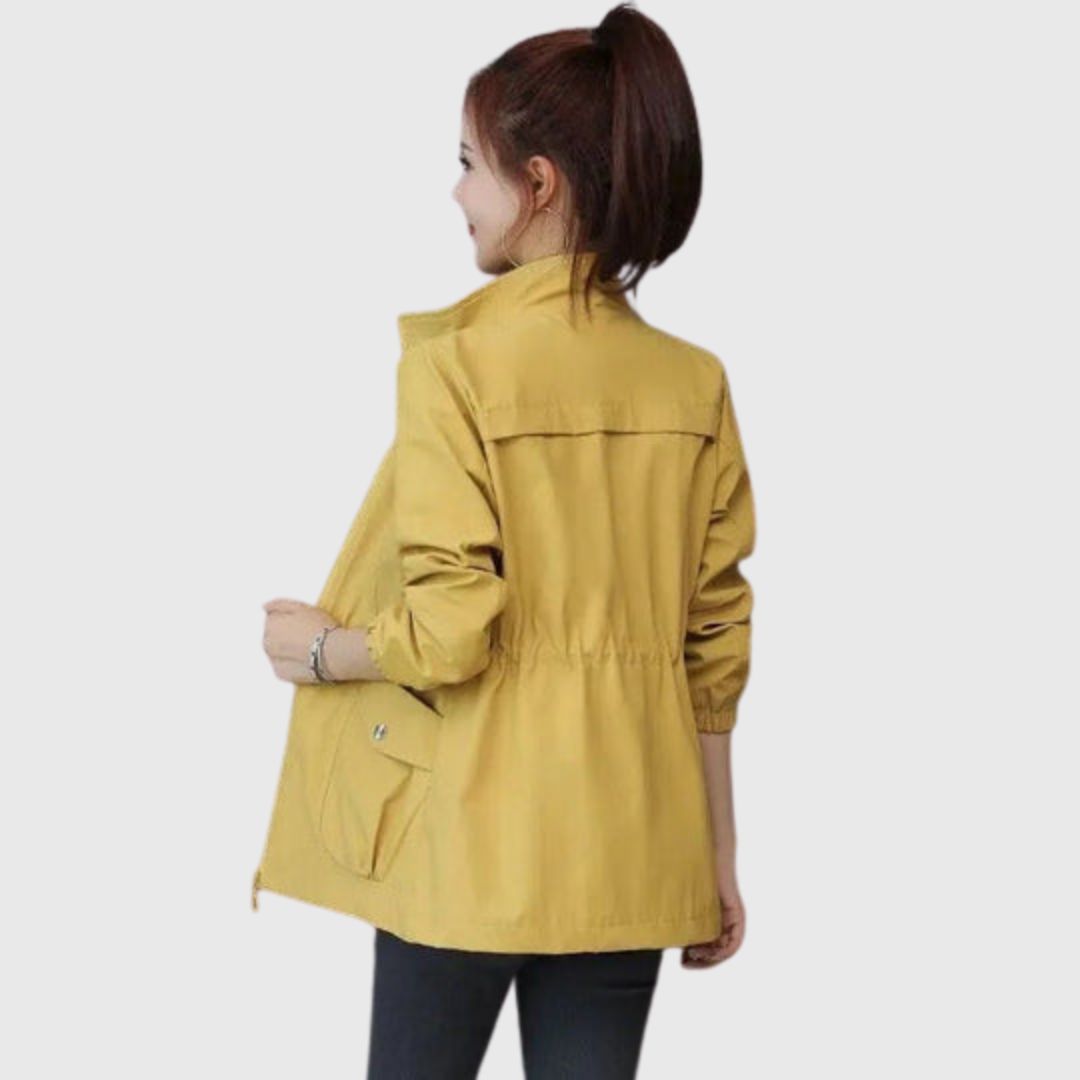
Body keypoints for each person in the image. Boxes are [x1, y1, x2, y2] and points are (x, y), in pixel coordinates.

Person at [258, 4, 756, 1077]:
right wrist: (716, 858)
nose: (456, 195)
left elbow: (449, 633)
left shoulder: (456, 369)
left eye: (467, 165)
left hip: (470, 853)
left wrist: (317, 650)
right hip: (635, 854)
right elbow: (713, 652)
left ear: (537, 184)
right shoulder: (695, 385)